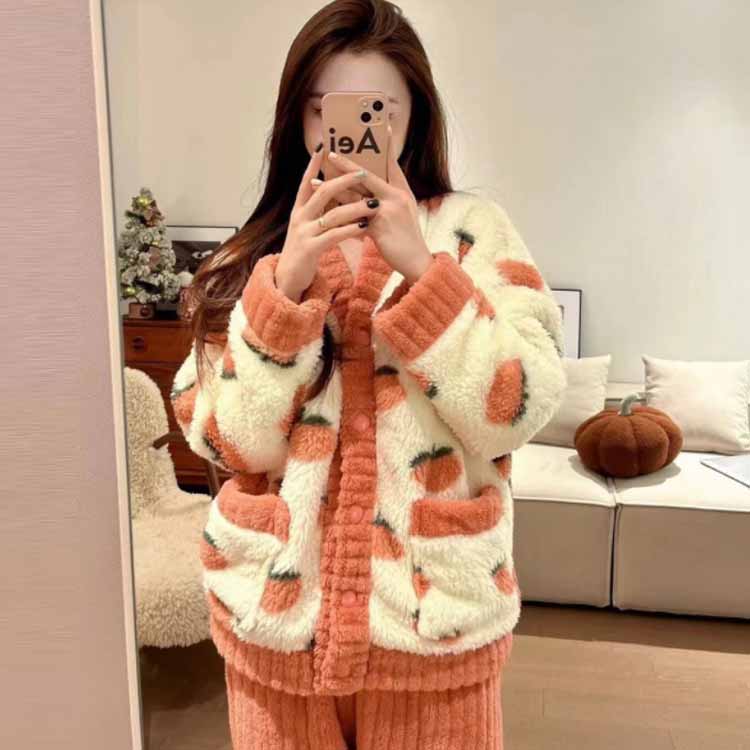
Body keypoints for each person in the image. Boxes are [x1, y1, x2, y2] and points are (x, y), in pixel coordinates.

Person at [171, 1, 567, 747]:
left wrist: (423, 269)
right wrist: (286, 287)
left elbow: (518, 410)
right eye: (325, 109)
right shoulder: (252, 255)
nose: (348, 131)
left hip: (434, 625)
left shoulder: (473, 232)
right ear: (298, 118)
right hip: (274, 626)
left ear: (414, 115)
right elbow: (228, 442)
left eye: (376, 110)